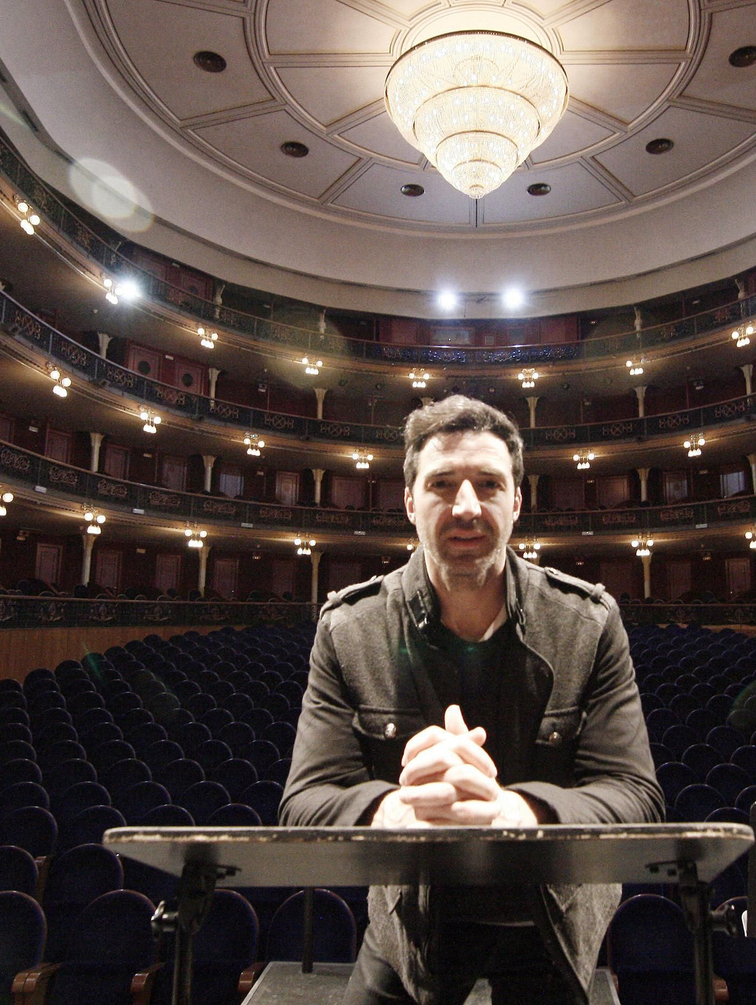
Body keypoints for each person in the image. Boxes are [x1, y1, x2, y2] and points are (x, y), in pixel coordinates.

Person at [279, 395, 662, 1005]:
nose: (465, 507)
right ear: (409, 501)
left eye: (487, 484)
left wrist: (518, 815)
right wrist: (398, 812)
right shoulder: (348, 628)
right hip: (414, 916)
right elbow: (304, 802)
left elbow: (636, 798)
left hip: (548, 917)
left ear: (516, 501)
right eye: (441, 484)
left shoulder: (589, 623)